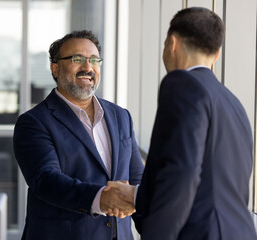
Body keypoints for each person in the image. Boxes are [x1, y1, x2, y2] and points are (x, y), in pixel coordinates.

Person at [106, 7, 257, 240]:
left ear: (172, 43)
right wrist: (137, 195)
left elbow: (182, 172)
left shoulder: (182, 84)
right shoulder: (232, 102)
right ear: (216, 55)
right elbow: (211, 183)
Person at [13, 30, 144, 240]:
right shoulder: (34, 122)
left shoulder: (121, 116)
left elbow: (137, 178)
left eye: (94, 60)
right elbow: (46, 180)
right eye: (77, 59)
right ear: (55, 68)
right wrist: (100, 198)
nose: (87, 67)